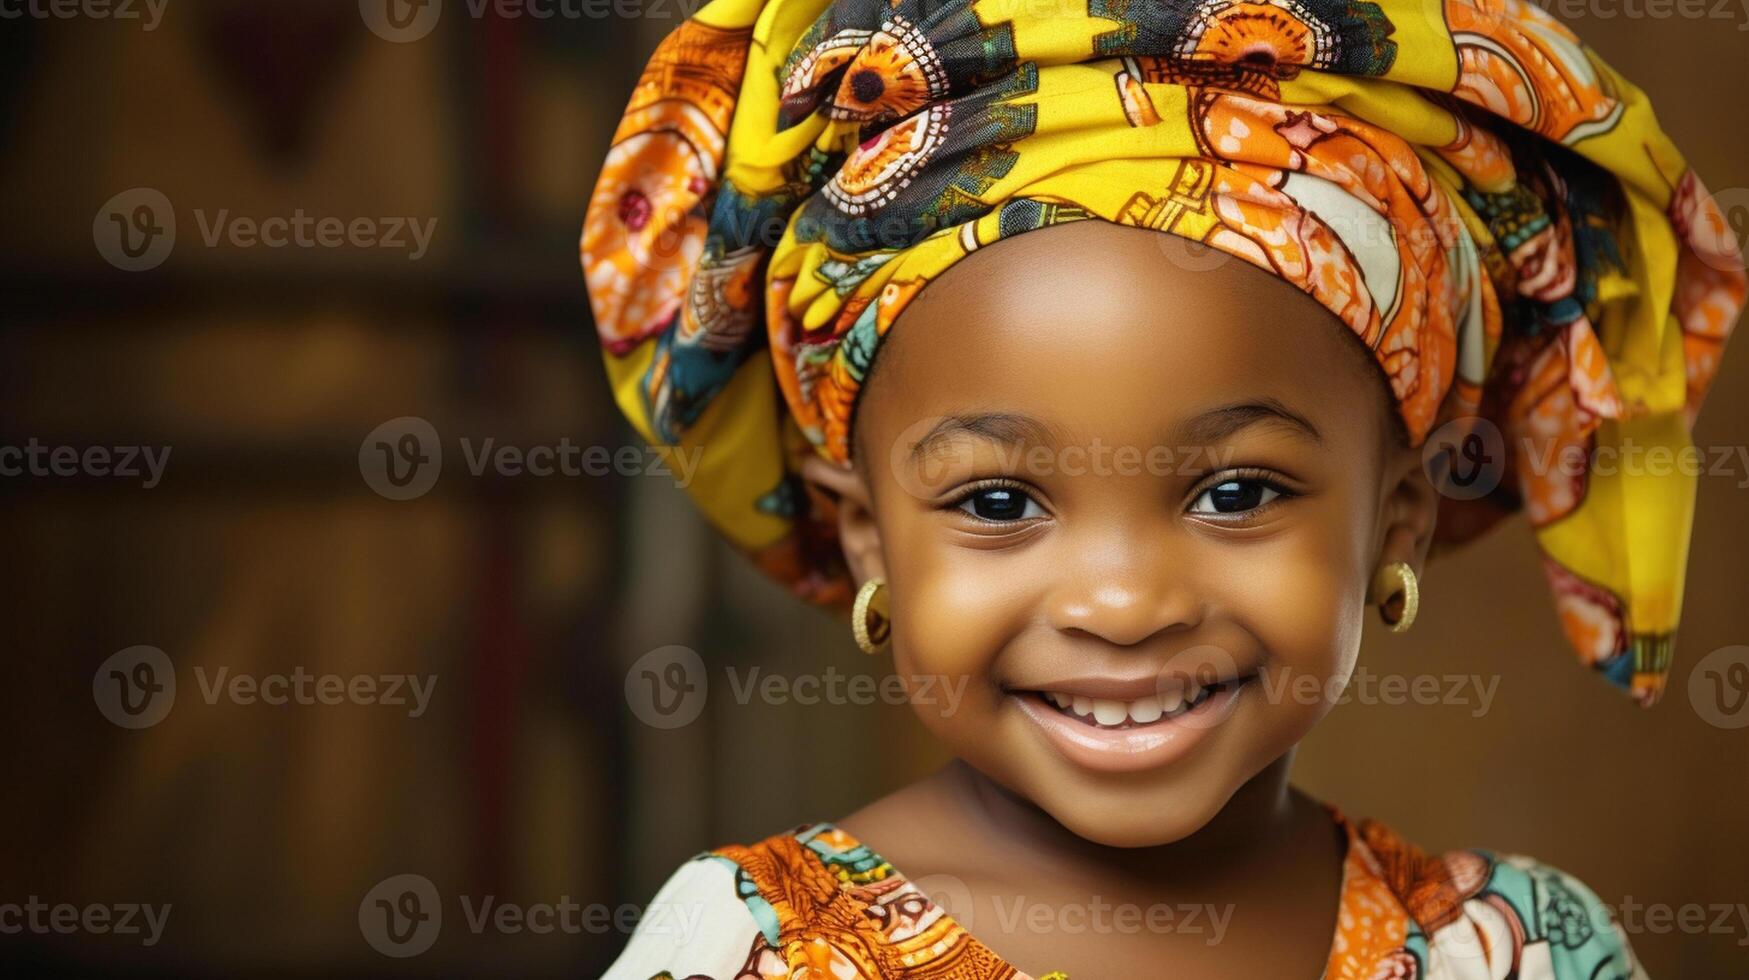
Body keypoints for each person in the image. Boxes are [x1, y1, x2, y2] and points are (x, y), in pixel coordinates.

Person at [581, 0, 1744, 975]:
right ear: (869, 534)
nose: (1126, 602)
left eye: (1236, 492)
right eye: (998, 502)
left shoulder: (1525, 952)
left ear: (1398, 517)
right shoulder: (750, 948)